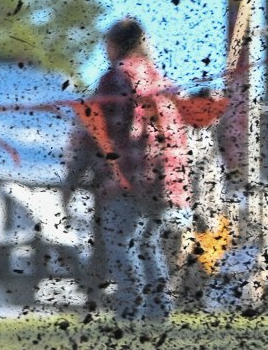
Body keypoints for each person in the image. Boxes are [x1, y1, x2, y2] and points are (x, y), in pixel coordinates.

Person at [66, 17, 191, 320]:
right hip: (167, 178)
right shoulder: (160, 79)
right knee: (148, 244)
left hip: (130, 176)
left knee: (121, 244)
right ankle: (158, 313)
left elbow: (94, 129)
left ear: (113, 45)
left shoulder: (116, 78)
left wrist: (72, 178)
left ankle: (130, 310)